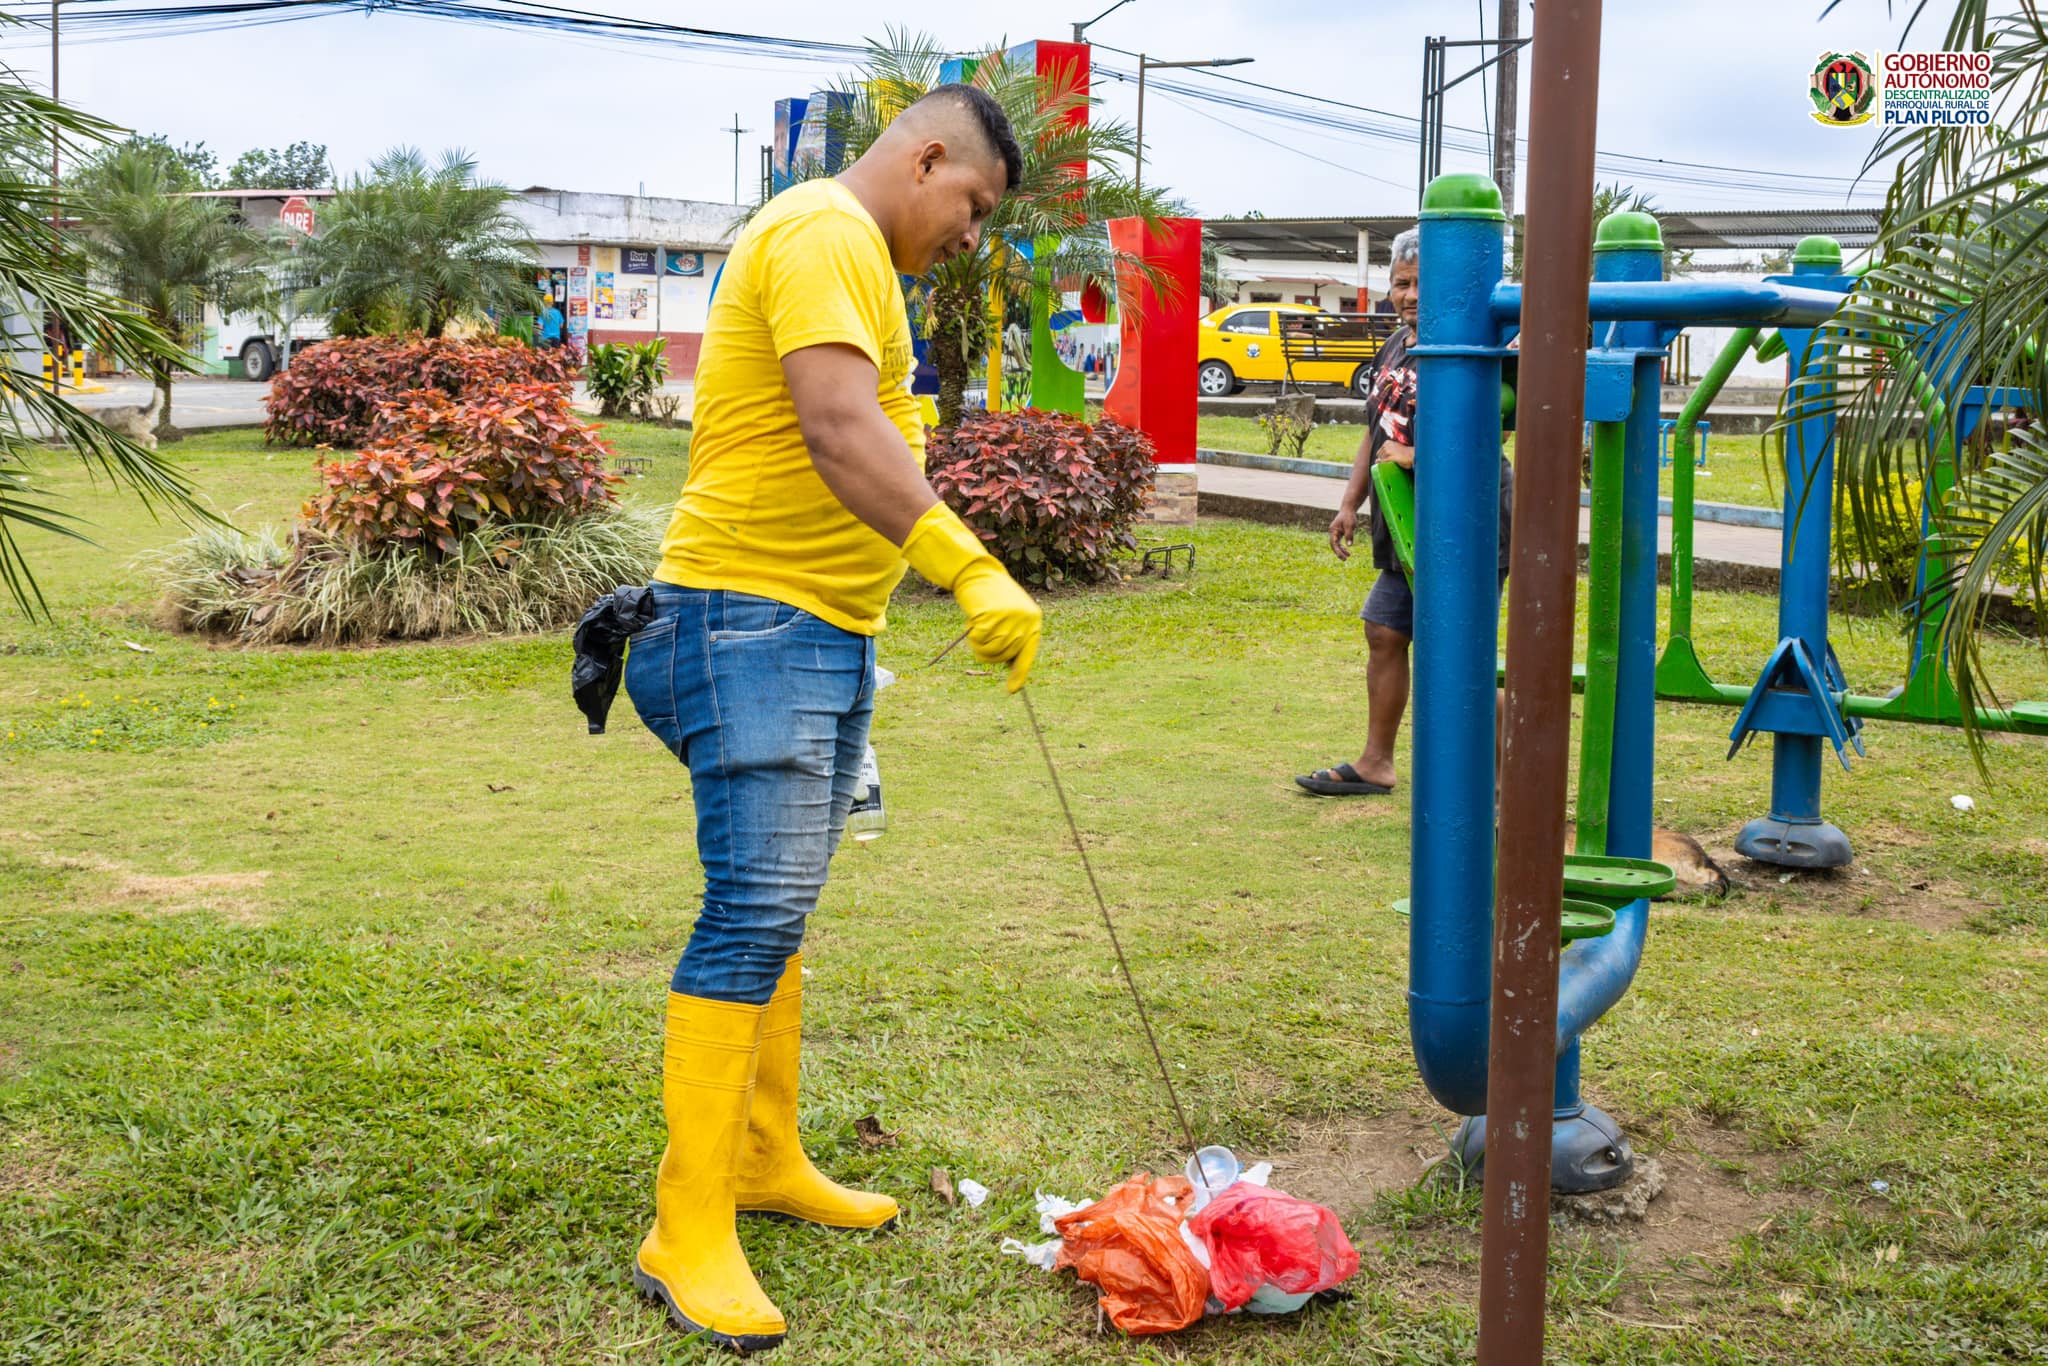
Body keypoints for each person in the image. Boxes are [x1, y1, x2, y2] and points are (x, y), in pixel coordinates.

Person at [619, 85, 1035, 1352]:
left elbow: (881, 437)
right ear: (925, 158)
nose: (970, 233)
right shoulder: (821, 232)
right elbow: (838, 429)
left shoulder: (868, 270)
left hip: (814, 631)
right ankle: (686, 1223)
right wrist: (967, 566)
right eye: (972, 204)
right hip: (747, 622)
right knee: (750, 911)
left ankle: (762, 1156)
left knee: (780, 906)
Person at [1296, 227, 1513, 796]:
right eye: (1401, 283)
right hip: (1405, 517)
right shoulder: (1397, 343)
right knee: (1385, 631)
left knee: (1461, 651)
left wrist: (1417, 455)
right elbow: (1377, 430)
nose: (1411, 295)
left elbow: (1492, 431)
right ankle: (1376, 763)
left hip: (1466, 520)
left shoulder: (1477, 343)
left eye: (1423, 283)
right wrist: (1350, 503)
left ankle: (1504, 788)